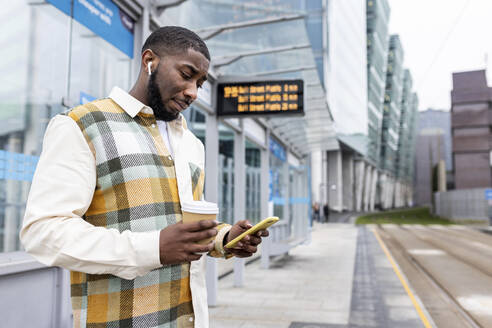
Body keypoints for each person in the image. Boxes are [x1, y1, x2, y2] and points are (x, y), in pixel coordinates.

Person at [20, 26, 268, 328]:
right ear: (149, 61)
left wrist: (225, 239)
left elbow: (185, 225)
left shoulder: (191, 142)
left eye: (200, 83)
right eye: (186, 74)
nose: (193, 92)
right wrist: (154, 248)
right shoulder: (81, 125)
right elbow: (43, 232)